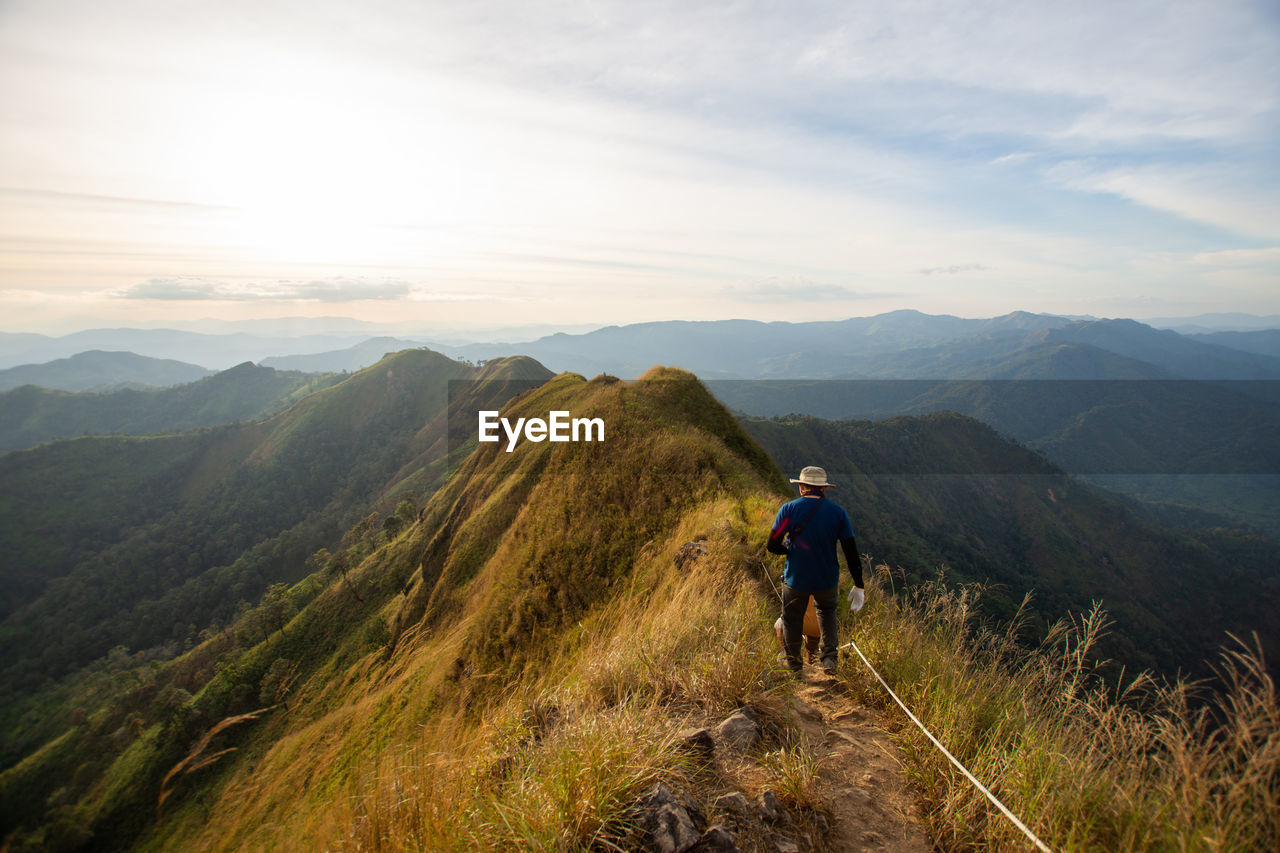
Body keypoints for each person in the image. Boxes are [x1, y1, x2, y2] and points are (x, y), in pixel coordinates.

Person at [767, 465, 865, 674]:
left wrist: (790, 551)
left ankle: (793, 663)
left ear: (802, 487)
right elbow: (851, 551)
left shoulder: (789, 509)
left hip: (796, 576)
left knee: (792, 617)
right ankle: (829, 660)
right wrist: (859, 584)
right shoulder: (838, 513)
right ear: (824, 489)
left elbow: (772, 545)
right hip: (826, 577)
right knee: (827, 612)